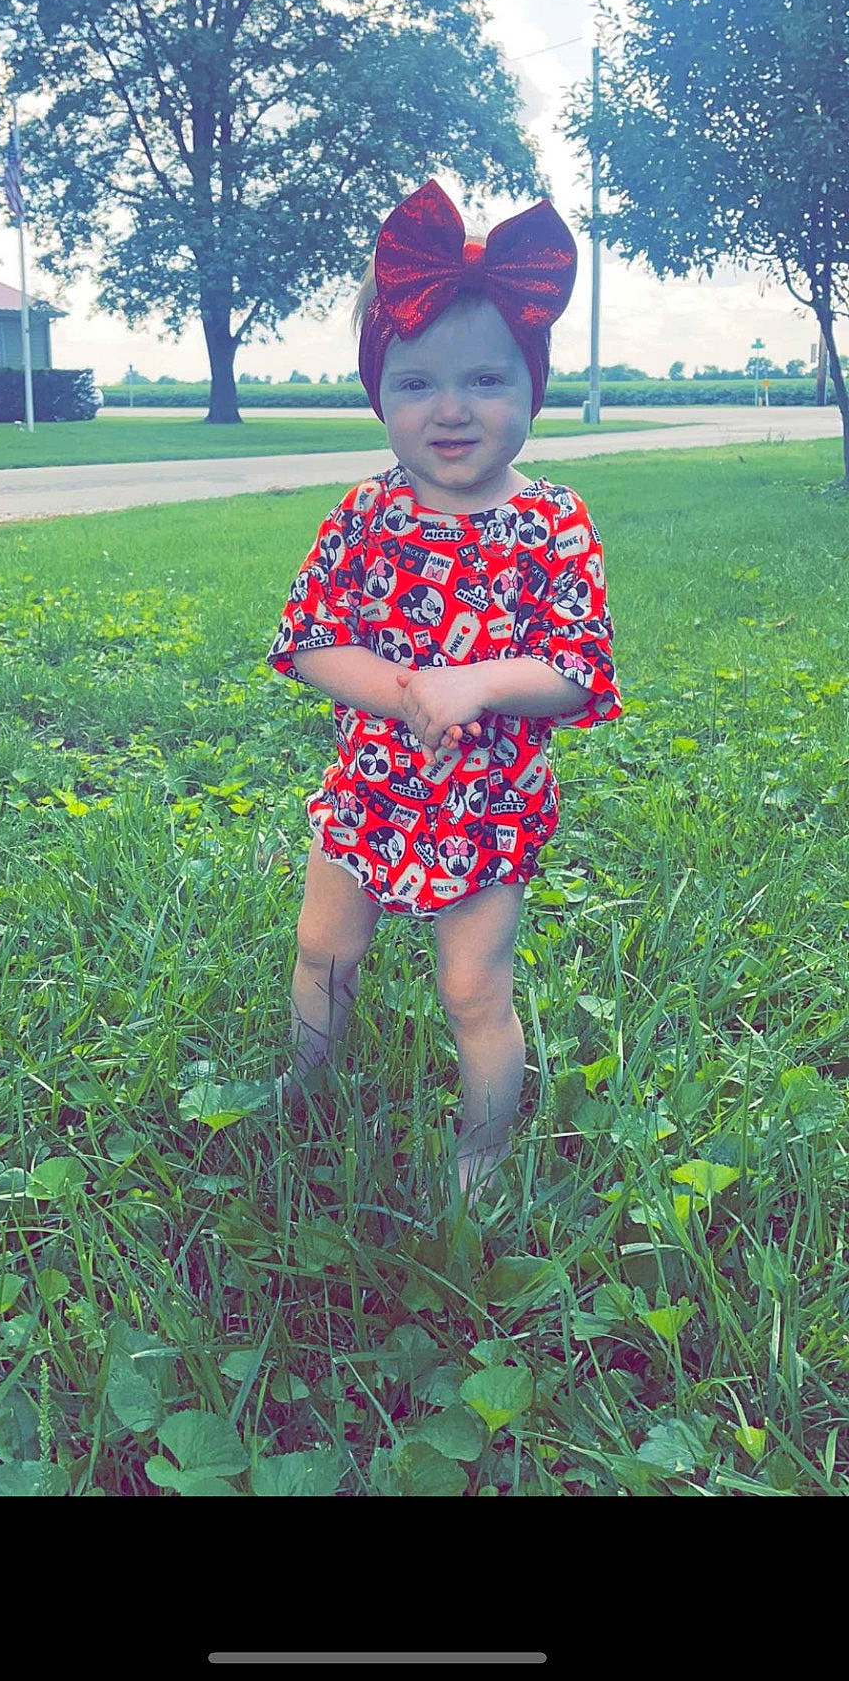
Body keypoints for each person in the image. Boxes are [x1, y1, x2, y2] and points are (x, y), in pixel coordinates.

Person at [265, 178, 623, 1207]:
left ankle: (482, 1149)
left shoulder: (552, 521)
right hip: (371, 785)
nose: (451, 408)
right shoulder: (365, 511)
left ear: (530, 386)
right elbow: (308, 639)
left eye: (483, 378)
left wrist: (476, 683)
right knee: (321, 949)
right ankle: (305, 1077)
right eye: (415, 381)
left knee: (472, 985)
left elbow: (574, 669)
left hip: (484, 804)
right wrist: (403, 689)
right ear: (378, 393)